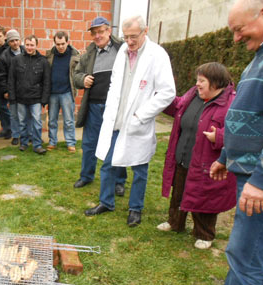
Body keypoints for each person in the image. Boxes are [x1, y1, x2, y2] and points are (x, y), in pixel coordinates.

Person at [83, 15, 176, 227]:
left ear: (146, 31)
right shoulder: (122, 52)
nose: (129, 41)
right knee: (107, 162)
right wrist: (111, 109)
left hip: (137, 121)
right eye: (126, 37)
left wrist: (141, 114)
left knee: (139, 168)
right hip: (116, 118)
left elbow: (167, 92)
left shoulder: (157, 55)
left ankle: (135, 208)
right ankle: (106, 202)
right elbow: (116, 83)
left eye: (134, 36)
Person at [206, 0, 263, 285]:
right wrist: (226, 155)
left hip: (257, 180)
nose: (236, 39)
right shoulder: (257, 59)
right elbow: (248, 116)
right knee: (254, 254)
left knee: (243, 255)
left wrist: (259, 181)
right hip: (247, 172)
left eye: (240, 30)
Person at [158, 62, 236, 249]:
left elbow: (238, 132)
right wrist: (161, 99)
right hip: (183, 155)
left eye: (202, 80)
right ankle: (175, 222)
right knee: (179, 192)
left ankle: (205, 234)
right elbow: (177, 107)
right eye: (197, 80)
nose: (198, 84)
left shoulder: (231, 103)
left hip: (207, 163)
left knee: (205, 197)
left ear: (216, 83)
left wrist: (218, 136)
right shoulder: (193, 94)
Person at [72, 16, 128, 197]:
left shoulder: (123, 49)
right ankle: (87, 176)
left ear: (109, 31)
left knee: (116, 145)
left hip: (116, 107)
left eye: (101, 31)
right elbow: (76, 75)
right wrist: (83, 79)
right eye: (94, 33)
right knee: (89, 144)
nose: (98, 36)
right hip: (94, 107)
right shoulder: (88, 54)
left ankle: (119, 181)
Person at [8, 35, 50, 155]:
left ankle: (37, 145)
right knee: (22, 122)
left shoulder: (43, 61)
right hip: (21, 98)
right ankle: (24, 143)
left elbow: (46, 82)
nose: (29, 47)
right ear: (24, 45)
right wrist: (12, 97)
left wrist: (44, 98)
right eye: (27, 45)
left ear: (36, 45)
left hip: (36, 98)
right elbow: (11, 80)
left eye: (32, 45)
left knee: (37, 122)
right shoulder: (16, 60)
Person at [45, 31, 80, 152]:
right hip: (52, 93)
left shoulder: (75, 55)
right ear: (54, 43)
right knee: (52, 120)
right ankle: (52, 142)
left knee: (69, 120)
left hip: (67, 92)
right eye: (58, 44)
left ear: (67, 42)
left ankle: (70, 142)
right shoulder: (49, 55)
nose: (60, 46)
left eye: (63, 44)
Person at [0, 29, 23, 145]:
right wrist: (5, 90)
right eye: (12, 41)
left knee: (28, 114)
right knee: (14, 114)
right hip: (12, 90)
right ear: (8, 42)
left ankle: (29, 135)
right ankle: (16, 135)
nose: (15, 43)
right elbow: (1, 76)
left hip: (26, 89)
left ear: (20, 40)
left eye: (17, 40)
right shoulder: (4, 56)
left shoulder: (26, 51)